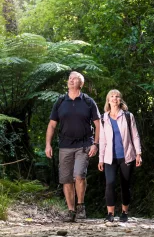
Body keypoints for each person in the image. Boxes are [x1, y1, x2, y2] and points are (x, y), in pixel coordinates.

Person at [45, 71, 100, 222]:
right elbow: (52, 125)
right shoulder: (60, 101)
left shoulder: (88, 102)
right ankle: (71, 210)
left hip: (84, 144)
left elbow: (97, 124)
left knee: (79, 175)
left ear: (80, 84)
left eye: (74, 79)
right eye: (69, 78)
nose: (71, 80)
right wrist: (48, 144)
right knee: (66, 179)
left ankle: (81, 206)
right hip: (65, 145)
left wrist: (95, 144)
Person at [98, 89, 142, 223]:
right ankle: (110, 214)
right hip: (109, 158)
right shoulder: (103, 118)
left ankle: (124, 212)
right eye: (112, 96)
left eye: (117, 96)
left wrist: (138, 154)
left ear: (120, 100)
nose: (114, 98)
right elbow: (102, 140)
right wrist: (100, 159)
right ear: (108, 100)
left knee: (125, 185)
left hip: (127, 156)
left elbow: (135, 136)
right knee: (110, 183)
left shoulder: (128, 116)